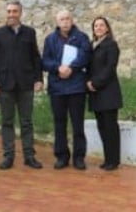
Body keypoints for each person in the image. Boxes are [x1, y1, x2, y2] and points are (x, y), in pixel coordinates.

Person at [0, 0, 44, 170]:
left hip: (26, 83)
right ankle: (8, 156)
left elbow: (35, 57)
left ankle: (29, 156)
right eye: (9, 11)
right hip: (5, 83)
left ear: (20, 13)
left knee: (26, 121)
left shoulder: (29, 33)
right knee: (7, 121)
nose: (11, 14)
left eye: (15, 11)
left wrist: (39, 78)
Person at [41, 10, 91, 170]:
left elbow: (85, 56)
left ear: (72, 20)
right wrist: (58, 68)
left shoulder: (82, 37)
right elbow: (45, 61)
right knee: (59, 124)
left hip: (76, 87)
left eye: (68, 18)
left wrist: (72, 68)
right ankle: (61, 156)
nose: (65, 22)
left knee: (78, 124)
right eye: (62, 19)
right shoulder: (50, 39)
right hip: (57, 87)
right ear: (57, 22)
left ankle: (79, 157)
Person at [87, 16, 123, 171]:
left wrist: (95, 83)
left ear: (107, 28)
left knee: (110, 127)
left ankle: (114, 160)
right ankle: (107, 159)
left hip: (108, 92)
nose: (99, 28)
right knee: (102, 127)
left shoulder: (111, 45)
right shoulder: (91, 46)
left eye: (102, 25)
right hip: (95, 94)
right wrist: (88, 82)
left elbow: (110, 68)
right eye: (96, 26)